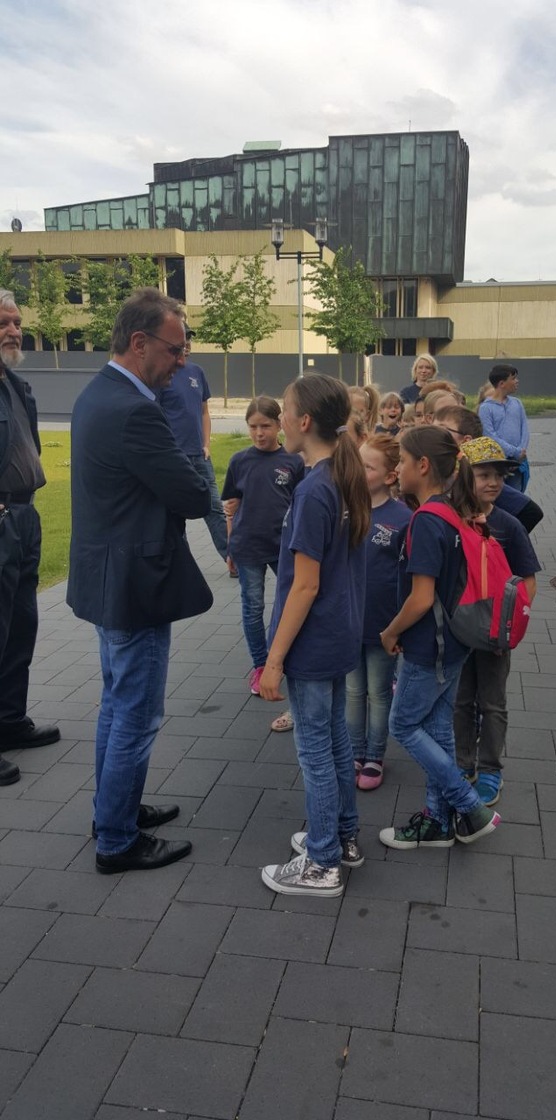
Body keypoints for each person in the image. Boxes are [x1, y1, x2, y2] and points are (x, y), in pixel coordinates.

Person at [67, 288, 214, 874]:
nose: (182, 363)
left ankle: (113, 811)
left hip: (108, 577)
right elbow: (194, 492)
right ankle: (117, 840)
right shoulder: (135, 411)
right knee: (136, 712)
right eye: (175, 351)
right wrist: (192, 468)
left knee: (115, 704)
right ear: (139, 342)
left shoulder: (94, 394)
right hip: (135, 584)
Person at [259, 373, 371, 897]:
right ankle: (342, 838)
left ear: (303, 422)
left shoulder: (313, 490)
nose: (279, 419)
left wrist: (274, 660)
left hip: (313, 640)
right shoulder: (342, 479)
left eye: (283, 410)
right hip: (339, 634)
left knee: (315, 753)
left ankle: (323, 862)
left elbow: (304, 586)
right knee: (335, 742)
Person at [378, 425, 501, 850]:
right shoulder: (451, 511)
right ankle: (437, 822)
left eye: (404, 461)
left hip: (429, 646)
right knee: (437, 729)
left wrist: (390, 631)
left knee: (403, 724)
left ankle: (470, 806)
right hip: (455, 643)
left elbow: (420, 599)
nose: (398, 467)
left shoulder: (426, 520)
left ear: (423, 466)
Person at [454, 437, 540, 804]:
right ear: (463, 477)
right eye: (483, 474)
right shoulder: (451, 520)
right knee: (460, 701)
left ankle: (490, 769)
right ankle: (462, 763)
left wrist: (509, 624)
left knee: (492, 702)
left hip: (495, 634)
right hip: (459, 630)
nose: (492, 482)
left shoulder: (508, 526)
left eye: (499, 476)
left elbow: (528, 580)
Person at [0, 289, 61, 789]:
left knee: (21, 623)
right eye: (4, 322)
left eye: (17, 322)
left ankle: (10, 721)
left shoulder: (17, 385)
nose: (13, 330)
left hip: (25, 516)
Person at [221, 396, 304, 695]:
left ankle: (281, 658)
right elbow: (232, 505)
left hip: (284, 546)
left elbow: (301, 505)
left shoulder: (294, 462)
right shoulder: (239, 461)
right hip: (247, 547)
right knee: (253, 607)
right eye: (253, 426)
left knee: (288, 604)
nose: (259, 433)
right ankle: (260, 664)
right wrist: (230, 545)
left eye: (265, 426)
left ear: (279, 424)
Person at [346, 435, 411, 790]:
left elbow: (409, 577)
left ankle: (375, 755)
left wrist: (401, 626)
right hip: (350, 620)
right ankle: (355, 751)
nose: (358, 471)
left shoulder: (403, 518)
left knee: (379, 691)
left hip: (384, 625)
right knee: (353, 691)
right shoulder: (343, 509)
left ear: (390, 476)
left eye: (367, 466)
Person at [159, 326, 228, 562]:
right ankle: (184, 565)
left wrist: (206, 443)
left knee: (214, 507)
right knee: (176, 513)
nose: (187, 343)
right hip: (174, 457)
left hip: (199, 455)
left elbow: (204, 412)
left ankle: (231, 558)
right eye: (182, 339)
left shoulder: (197, 372)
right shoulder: (162, 375)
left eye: (189, 339)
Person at [433, 403, 544, 534]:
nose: (433, 435)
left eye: (441, 430)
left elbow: (531, 512)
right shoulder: (442, 469)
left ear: (466, 440)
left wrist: (496, 540)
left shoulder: (477, 478)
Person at [478, 364, 529, 492]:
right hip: (498, 462)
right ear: (502, 383)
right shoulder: (486, 408)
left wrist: (520, 451)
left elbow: (525, 429)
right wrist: (514, 452)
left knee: (517, 497)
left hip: (518, 462)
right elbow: (490, 435)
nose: (517, 381)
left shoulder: (517, 403)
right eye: (513, 378)